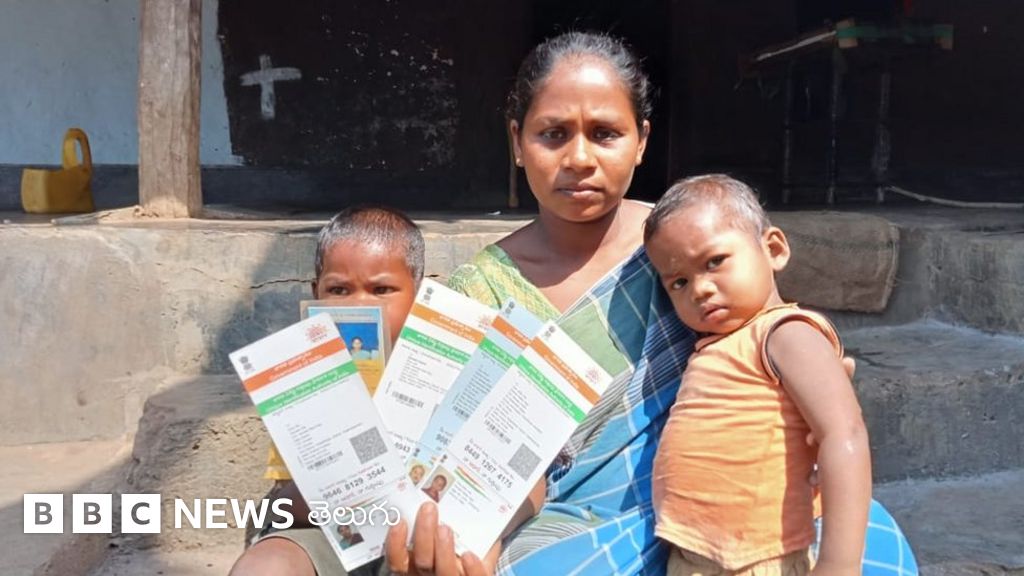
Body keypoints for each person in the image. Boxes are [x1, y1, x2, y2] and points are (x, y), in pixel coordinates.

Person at [385, 31, 918, 576]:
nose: (580, 158)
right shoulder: (479, 294)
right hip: (573, 536)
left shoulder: (686, 248)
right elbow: (476, 467)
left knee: (873, 546)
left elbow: (777, 359)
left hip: (735, 511)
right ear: (517, 141)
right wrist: (475, 541)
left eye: (604, 134)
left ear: (641, 140)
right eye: (553, 134)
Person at [644, 174, 870, 576]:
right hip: (694, 557)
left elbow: (844, 434)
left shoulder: (785, 333)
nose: (699, 289)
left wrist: (839, 563)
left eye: (714, 262)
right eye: (679, 282)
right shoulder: (718, 344)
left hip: (758, 560)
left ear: (774, 249)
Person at [230, 205, 425, 576]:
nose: (359, 306)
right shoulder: (301, 381)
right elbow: (287, 501)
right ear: (314, 294)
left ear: (419, 295)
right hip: (327, 533)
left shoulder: (440, 372)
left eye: (381, 290)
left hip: (420, 536)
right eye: (338, 290)